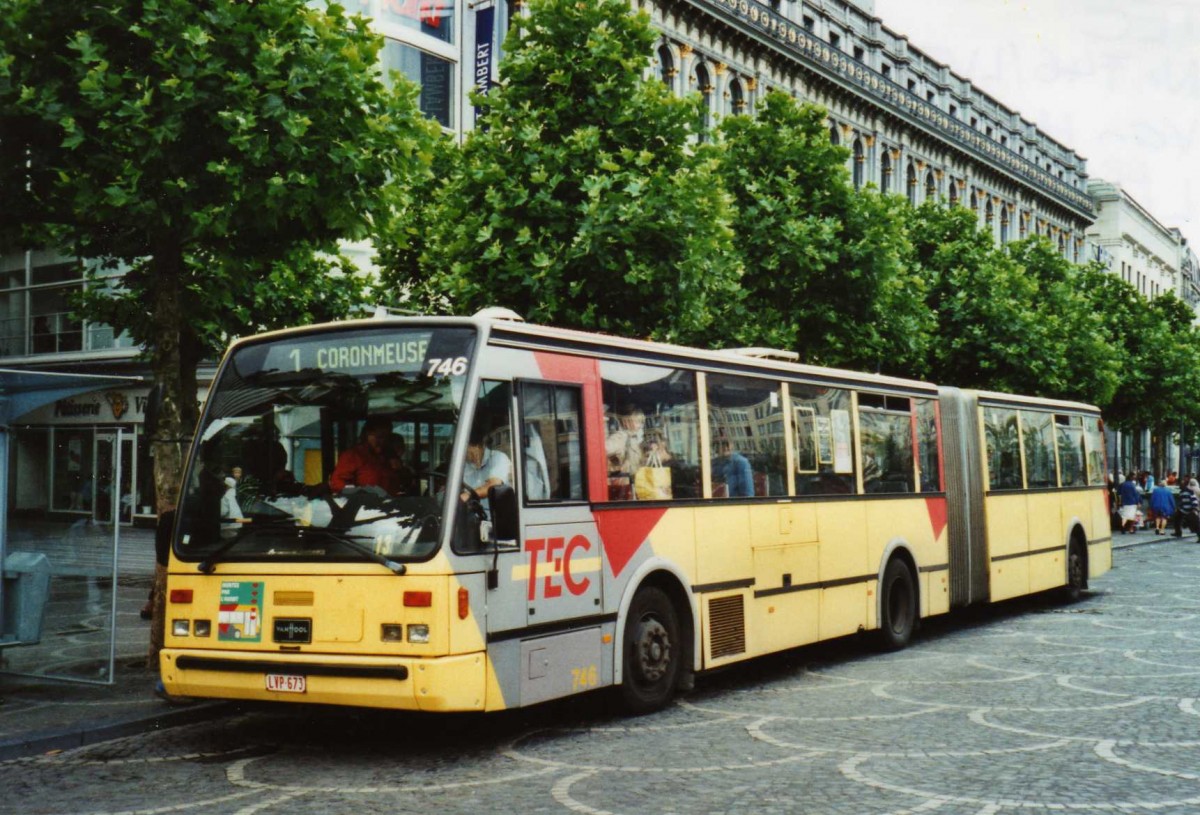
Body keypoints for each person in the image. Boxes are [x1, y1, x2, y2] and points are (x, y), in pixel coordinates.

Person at [329, 416, 405, 495]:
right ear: (367, 434)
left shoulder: (389, 456)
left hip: (390, 500)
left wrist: (400, 471)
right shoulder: (353, 455)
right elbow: (337, 482)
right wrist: (357, 492)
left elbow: (401, 482)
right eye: (379, 437)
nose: (382, 441)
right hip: (363, 501)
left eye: (387, 437)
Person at [463, 428, 512, 515]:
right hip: (473, 516)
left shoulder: (498, 458)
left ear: (478, 446)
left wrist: (468, 495)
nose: (466, 455)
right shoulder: (465, 465)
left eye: (468, 451)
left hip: (497, 517)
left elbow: (493, 486)